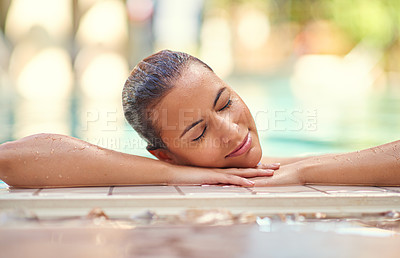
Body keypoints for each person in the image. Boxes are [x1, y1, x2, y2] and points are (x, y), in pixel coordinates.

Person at [0, 50, 399, 188]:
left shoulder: (267, 168)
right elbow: (13, 158)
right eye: (197, 132)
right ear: (167, 155)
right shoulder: (174, 173)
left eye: (225, 103)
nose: (231, 131)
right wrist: (180, 177)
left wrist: (303, 172)